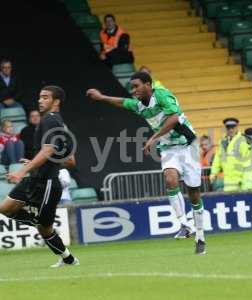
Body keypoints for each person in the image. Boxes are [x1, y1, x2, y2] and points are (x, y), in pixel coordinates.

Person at [87, 72, 206, 254]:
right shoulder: (139, 106)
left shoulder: (162, 95)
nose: (133, 91)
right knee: (170, 179)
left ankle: (200, 236)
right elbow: (121, 102)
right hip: (168, 148)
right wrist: (102, 97)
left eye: (136, 86)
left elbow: (173, 117)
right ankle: (184, 224)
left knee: (194, 193)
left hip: (187, 145)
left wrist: (153, 138)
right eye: (132, 87)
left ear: (148, 85)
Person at [0, 85, 79, 267]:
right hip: (36, 178)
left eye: (45, 97)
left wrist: (21, 171)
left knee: (45, 228)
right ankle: (42, 224)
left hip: (48, 182)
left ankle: (69, 259)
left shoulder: (49, 120)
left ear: (56, 101)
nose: (40, 100)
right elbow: (70, 160)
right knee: (5, 208)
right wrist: (37, 162)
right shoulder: (58, 123)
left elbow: (49, 150)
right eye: (39, 97)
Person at [210, 118, 248, 192]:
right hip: (227, 182)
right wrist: (213, 173)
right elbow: (218, 159)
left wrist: (245, 180)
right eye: (228, 128)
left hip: (240, 182)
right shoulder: (223, 142)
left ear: (237, 127)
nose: (231, 130)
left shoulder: (243, 141)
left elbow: (247, 161)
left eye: (233, 127)